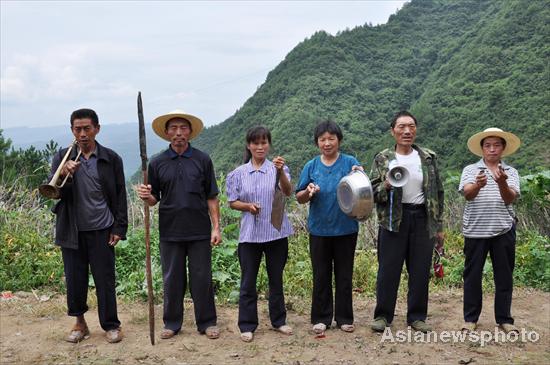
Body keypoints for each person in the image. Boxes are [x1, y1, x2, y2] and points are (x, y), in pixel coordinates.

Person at [137, 110, 221, 340]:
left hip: (199, 230)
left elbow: (212, 196)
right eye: (173, 129)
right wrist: (146, 196)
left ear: (190, 132)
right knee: (172, 278)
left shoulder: (202, 160)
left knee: (202, 277)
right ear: (166, 133)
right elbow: (154, 200)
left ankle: (207, 322)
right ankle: (172, 323)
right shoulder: (157, 163)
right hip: (170, 230)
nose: (178, 133)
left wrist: (216, 227)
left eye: (183, 128)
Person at [47, 108, 127, 343]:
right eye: (77, 129)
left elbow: (120, 195)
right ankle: (80, 323)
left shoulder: (111, 158)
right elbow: (55, 194)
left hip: (102, 228)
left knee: (105, 279)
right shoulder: (63, 156)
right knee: (75, 279)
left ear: (97, 129)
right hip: (72, 229)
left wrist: (119, 228)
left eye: (87, 129)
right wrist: (64, 173)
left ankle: (111, 325)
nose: (82, 134)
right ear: (72, 130)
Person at [369, 111, 444, 333]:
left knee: (420, 269)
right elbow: (371, 191)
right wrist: (386, 186)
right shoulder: (382, 158)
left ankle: (417, 317)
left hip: (422, 218)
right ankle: (383, 316)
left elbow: (438, 192)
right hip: (393, 219)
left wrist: (438, 225)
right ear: (393, 131)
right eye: (401, 127)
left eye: (411, 126)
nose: (407, 131)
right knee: (388, 270)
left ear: (416, 129)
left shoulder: (428, 157)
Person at [226, 126, 294, 342]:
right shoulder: (238, 174)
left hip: (276, 233)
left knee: (276, 279)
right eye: (255, 143)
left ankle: (279, 321)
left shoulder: (278, 168)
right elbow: (232, 202)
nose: (260, 146)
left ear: (269, 145)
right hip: (250, 236)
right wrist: (247, 207)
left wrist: (281, 172)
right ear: (249, 145)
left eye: (264, 142)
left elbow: (287, 191)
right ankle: (247, 324)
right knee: (248, 281)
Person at [295, 120, 362, 334]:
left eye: (331, 138)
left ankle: (344, 317)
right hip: (319, 230)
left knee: (344, 274)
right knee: (321, 275)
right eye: (322, 139)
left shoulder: (349, 162)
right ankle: (321, 317)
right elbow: (299, 197)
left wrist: (359, 173)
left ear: (339, 140)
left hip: (346, 228)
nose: (327, 143)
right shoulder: (311, 166)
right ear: (317, 143)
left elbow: (362, 187)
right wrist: (308, 192)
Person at [459, 128, 521, 334]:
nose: (492, 149)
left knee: (504, 275)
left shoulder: (510, 172)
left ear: (503, 148)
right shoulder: (470, 170)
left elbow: (509, 198)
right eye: (488, 145)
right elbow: (467, 195)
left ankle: (504, 319)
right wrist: (477, 185)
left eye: (496, 145)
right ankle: (470, 319)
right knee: (472, 276)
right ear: (482, 149)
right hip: (475, 230)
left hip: (503, 229)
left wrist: (502, 182)